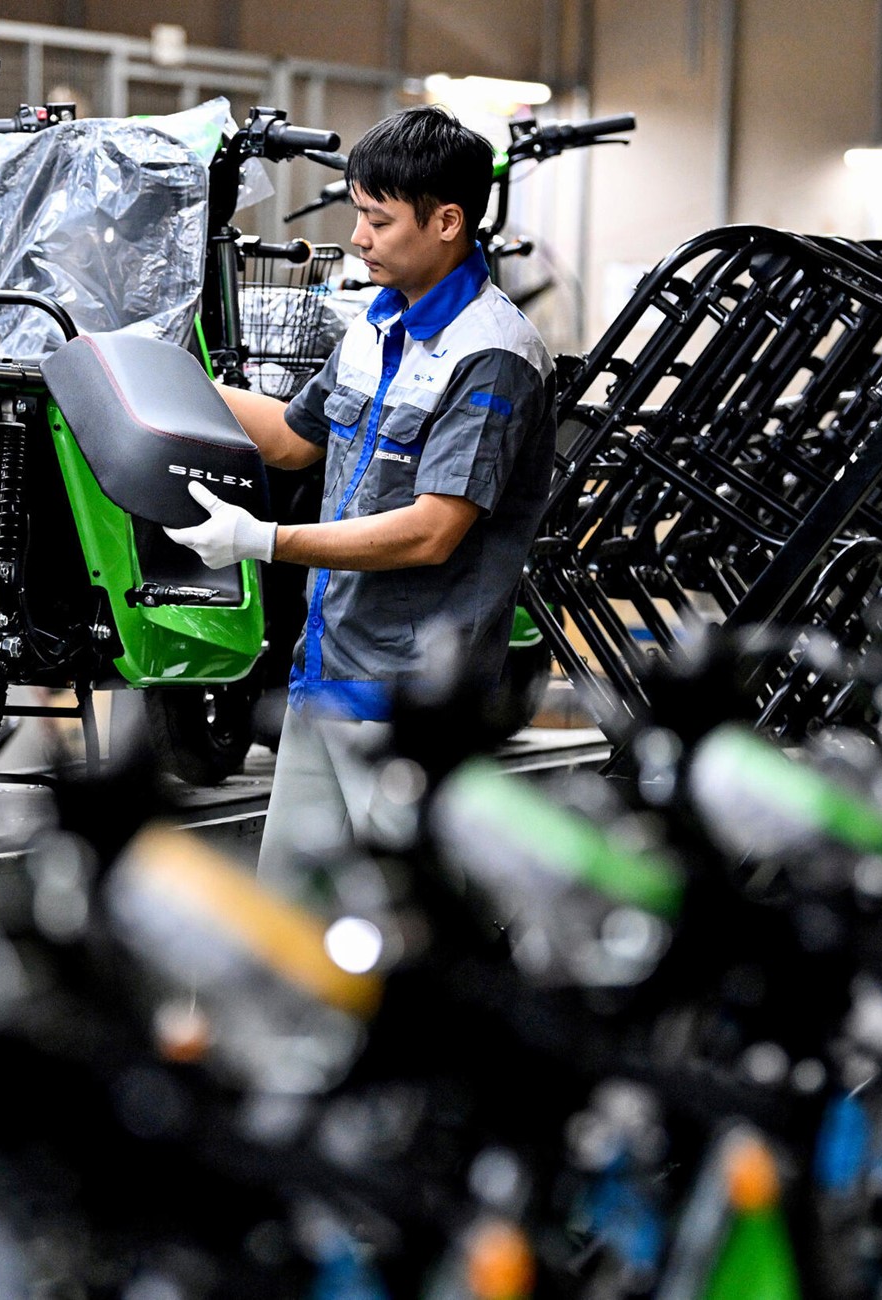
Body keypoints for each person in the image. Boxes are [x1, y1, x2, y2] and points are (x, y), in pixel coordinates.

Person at [164, 105, 555, 884]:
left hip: (412, 701)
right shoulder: (374, 326)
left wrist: (263, 541)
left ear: (447, 221)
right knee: (289, 920)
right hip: (325, 675)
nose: (358, 237)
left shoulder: (491, 354)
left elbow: (431, 531)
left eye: (377, 220)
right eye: (357, 215)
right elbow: (291, 438)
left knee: (405, 929)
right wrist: (166, 371)